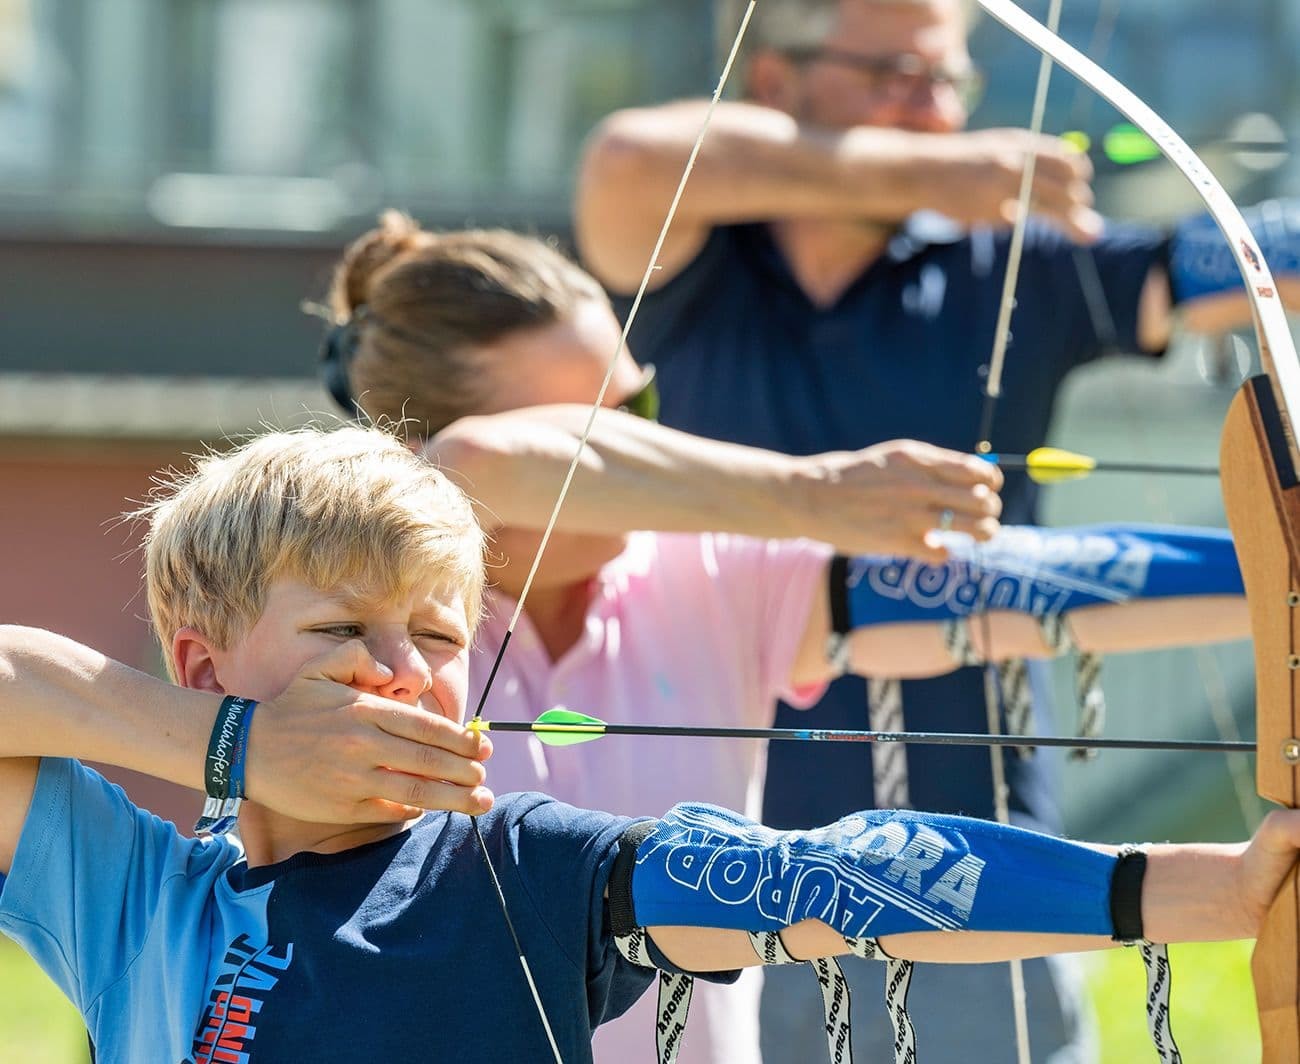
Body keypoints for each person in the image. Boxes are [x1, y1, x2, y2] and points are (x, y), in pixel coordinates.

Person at [0, 420, 1293, 1064]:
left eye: (442, 640)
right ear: (199, 661)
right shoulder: (140, 903)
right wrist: (236, 751)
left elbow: (831, 879)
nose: (403, 673)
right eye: (344, 629)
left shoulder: (519, 869)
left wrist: (1220, 893)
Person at [319, 216, 1252, 1064]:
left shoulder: (716, 570)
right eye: (576, 427)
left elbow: (1027, 582)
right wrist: (814, 492)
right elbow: (480, 465)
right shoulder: (349, 621)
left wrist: (1266, 573)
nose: (632, 452)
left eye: (637, 409)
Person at [573, 1, 1300, 1057]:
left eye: (949, 81)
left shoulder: (1008, 263)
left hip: (978, 884)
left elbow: (1233, 261)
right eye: (899, 74)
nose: (938, 111)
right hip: (713, 885)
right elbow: (629, 156)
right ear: (775, 82)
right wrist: (923, 174)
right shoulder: (695, 258)